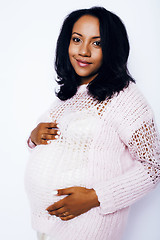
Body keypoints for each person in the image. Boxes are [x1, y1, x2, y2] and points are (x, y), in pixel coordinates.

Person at [25, 6, 160, 240]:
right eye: (77, 39)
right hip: (48, 226)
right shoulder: (71, 94)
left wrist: (95, 197)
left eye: (97, 43)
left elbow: (153, 168)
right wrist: (34, 137)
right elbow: (58, 143)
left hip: (88, 226)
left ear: (112, 49)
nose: (84, 51)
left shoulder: (125, 97)